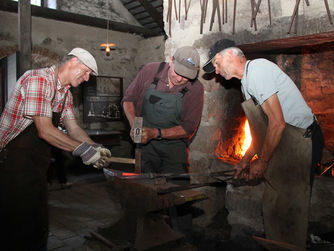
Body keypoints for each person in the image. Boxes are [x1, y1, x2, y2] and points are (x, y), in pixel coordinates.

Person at [203, 39, 324, 248]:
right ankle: (281, 244)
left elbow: (277, 123)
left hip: (301, 141)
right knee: (275, 203)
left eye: (216, 62)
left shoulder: (258, 70)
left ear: (231, 54)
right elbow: (261, 132)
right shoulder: (246, 84)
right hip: (286, 141)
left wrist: (262, 162)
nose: (215, 70)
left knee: (289, 206)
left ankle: (293, 244)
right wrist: (246, 159)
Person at [0, 48, 111, 251]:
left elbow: (74, 128)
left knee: (37, 220)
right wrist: (83, 150)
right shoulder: (38, 80)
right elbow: (45, 130)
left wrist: (94, 147)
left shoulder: (64, 93)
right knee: (16, 224)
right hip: (11, 161)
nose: (87, 79)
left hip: (35, 166)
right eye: (86, 72)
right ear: (73, 62)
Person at [122, 46, 204, 175]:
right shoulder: (150, 70)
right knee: (143, 187)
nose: (180, 79)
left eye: (186, 76)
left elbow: (188, 128)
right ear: (171, 61)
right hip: (145, 147)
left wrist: (155, 133)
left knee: (176, 190)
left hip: (174, 149)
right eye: (178, 72)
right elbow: (128, 99)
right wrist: (135, 126)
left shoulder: (196, 88)